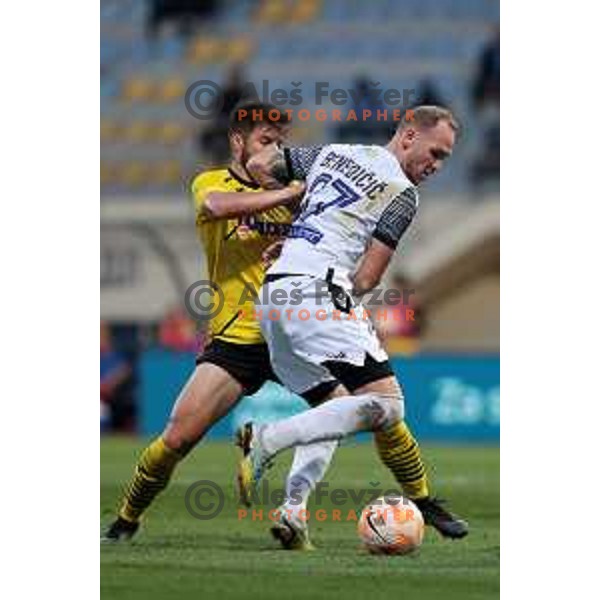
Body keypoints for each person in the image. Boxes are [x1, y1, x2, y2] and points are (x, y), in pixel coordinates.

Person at [236, 106, 469, 545]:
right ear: (406, 138)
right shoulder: (402, 192)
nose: (436, 166)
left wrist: (301, 228)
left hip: (273, 295)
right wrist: (341, 299)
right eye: (434, 152)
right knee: (388, 407)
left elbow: (258, 164)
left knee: (334, 406)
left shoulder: (334, 152)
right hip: (318, 292)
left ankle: (293, 512)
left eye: (445, 159)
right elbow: (367, 278)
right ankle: (267, 439)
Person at [102, 101, 330, 542]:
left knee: (346, 411)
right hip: (237, 336)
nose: (274, 151)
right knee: (176, 440)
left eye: (280, 143)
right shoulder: (212, 182)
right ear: (238, 141)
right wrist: (289, 195)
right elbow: (217, 206)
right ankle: (127, 518)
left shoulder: (299, 195)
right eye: (265, 141)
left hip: (295, 332)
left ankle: (294, 515)